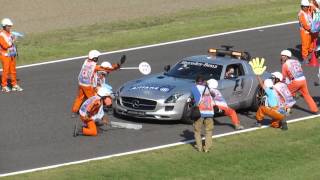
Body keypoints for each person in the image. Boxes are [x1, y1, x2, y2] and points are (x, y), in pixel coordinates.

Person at [71, 50, 120, 117]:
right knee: (94, 100)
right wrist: (115, 67)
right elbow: (104, 68)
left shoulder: (86, 62)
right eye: (97, 57)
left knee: (79, 97)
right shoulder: (94, 66)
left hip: (80, 83)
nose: (97, 59)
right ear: (94, 58)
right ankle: (89, 113)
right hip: (87, 85)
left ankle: (74, 111)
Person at [191, 75, 214, 152]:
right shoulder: (207, 89)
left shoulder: (194, 88)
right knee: (209, 130)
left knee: (197, 131)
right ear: (203, 82)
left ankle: (199, 147)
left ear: (196, 82)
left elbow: (195, 101)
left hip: (199, 113)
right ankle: (207, 148)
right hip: (210, 112)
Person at [0, 18, 23, 92]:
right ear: (4, 26)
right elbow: (5, 45)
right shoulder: (1, 35)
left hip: (11, 54)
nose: (10, 27)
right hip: (5, 55)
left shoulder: (10, 33)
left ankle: (14, 85)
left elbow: (11, 43)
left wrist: (14, 38)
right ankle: (4, 86)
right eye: (8, 26)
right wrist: (13, 40)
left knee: (13, 70)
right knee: (6, 71)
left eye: (10, 26)